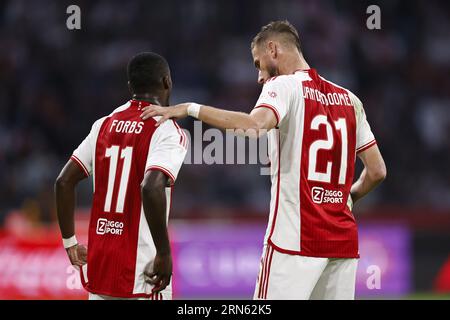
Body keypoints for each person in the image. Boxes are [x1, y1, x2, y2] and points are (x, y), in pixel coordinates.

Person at [140, 21, 386, 300]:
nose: (259, 76)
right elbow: (377, 171)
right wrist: (346, 198)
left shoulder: (284, 85)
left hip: (294, 241)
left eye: (258, 64)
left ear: (273, 49)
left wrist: (190, 108)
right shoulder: (349, 99)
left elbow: (255, 126)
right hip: (342, 244)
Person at [55, 52, 188, 300]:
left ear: (130, 87)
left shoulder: (104, 124)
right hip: (142, 273)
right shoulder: (167, 130)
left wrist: (70, 242)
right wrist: (164, 253)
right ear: (167, 82)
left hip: (100, 269)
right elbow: (151, 187)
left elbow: (63, 181)